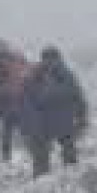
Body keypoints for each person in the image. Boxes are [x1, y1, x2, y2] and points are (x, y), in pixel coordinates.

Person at [20, 46, 90, 176]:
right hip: (65, 122)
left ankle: (40, 184)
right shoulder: (67, 74)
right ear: (59, 57)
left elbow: (25, 102)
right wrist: (82, 119)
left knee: (41, 159)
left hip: (42, 123)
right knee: (69, 154)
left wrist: (27, 126)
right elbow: (79, 98)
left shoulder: (35, 75)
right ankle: (71, 180)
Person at [0, 41, 32, 162]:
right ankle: (29, 156)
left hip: (0, 107)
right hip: (16, 106)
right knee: (16, 134)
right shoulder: (16, 62)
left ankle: (6, 160)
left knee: (4, 136)